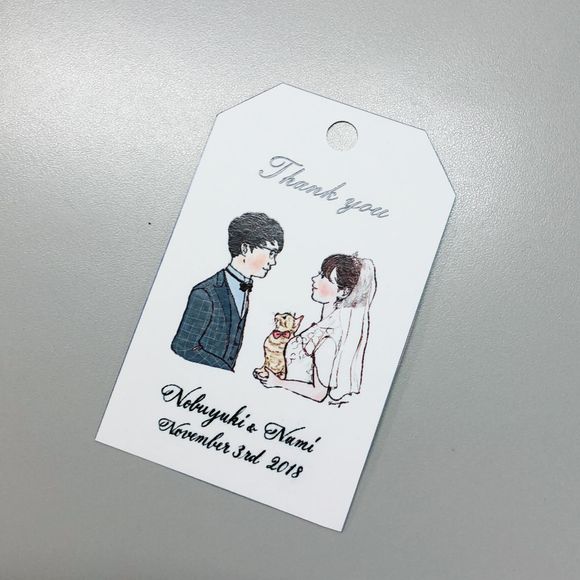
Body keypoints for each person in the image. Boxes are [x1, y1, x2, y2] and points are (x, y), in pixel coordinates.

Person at [171, 212, 284, 371]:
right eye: (270, 253)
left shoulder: (244, 288)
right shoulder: (205, 293)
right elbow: (183, 346)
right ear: (245, 248)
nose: (273, 262)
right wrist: (224, 369)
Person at [258, 254, 376, 404]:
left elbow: (318, 393)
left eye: (324, 277)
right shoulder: (324, 326)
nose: (315, 279)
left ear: (343, 292)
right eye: (320, 274)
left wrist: (278, 383)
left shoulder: (329, 337)